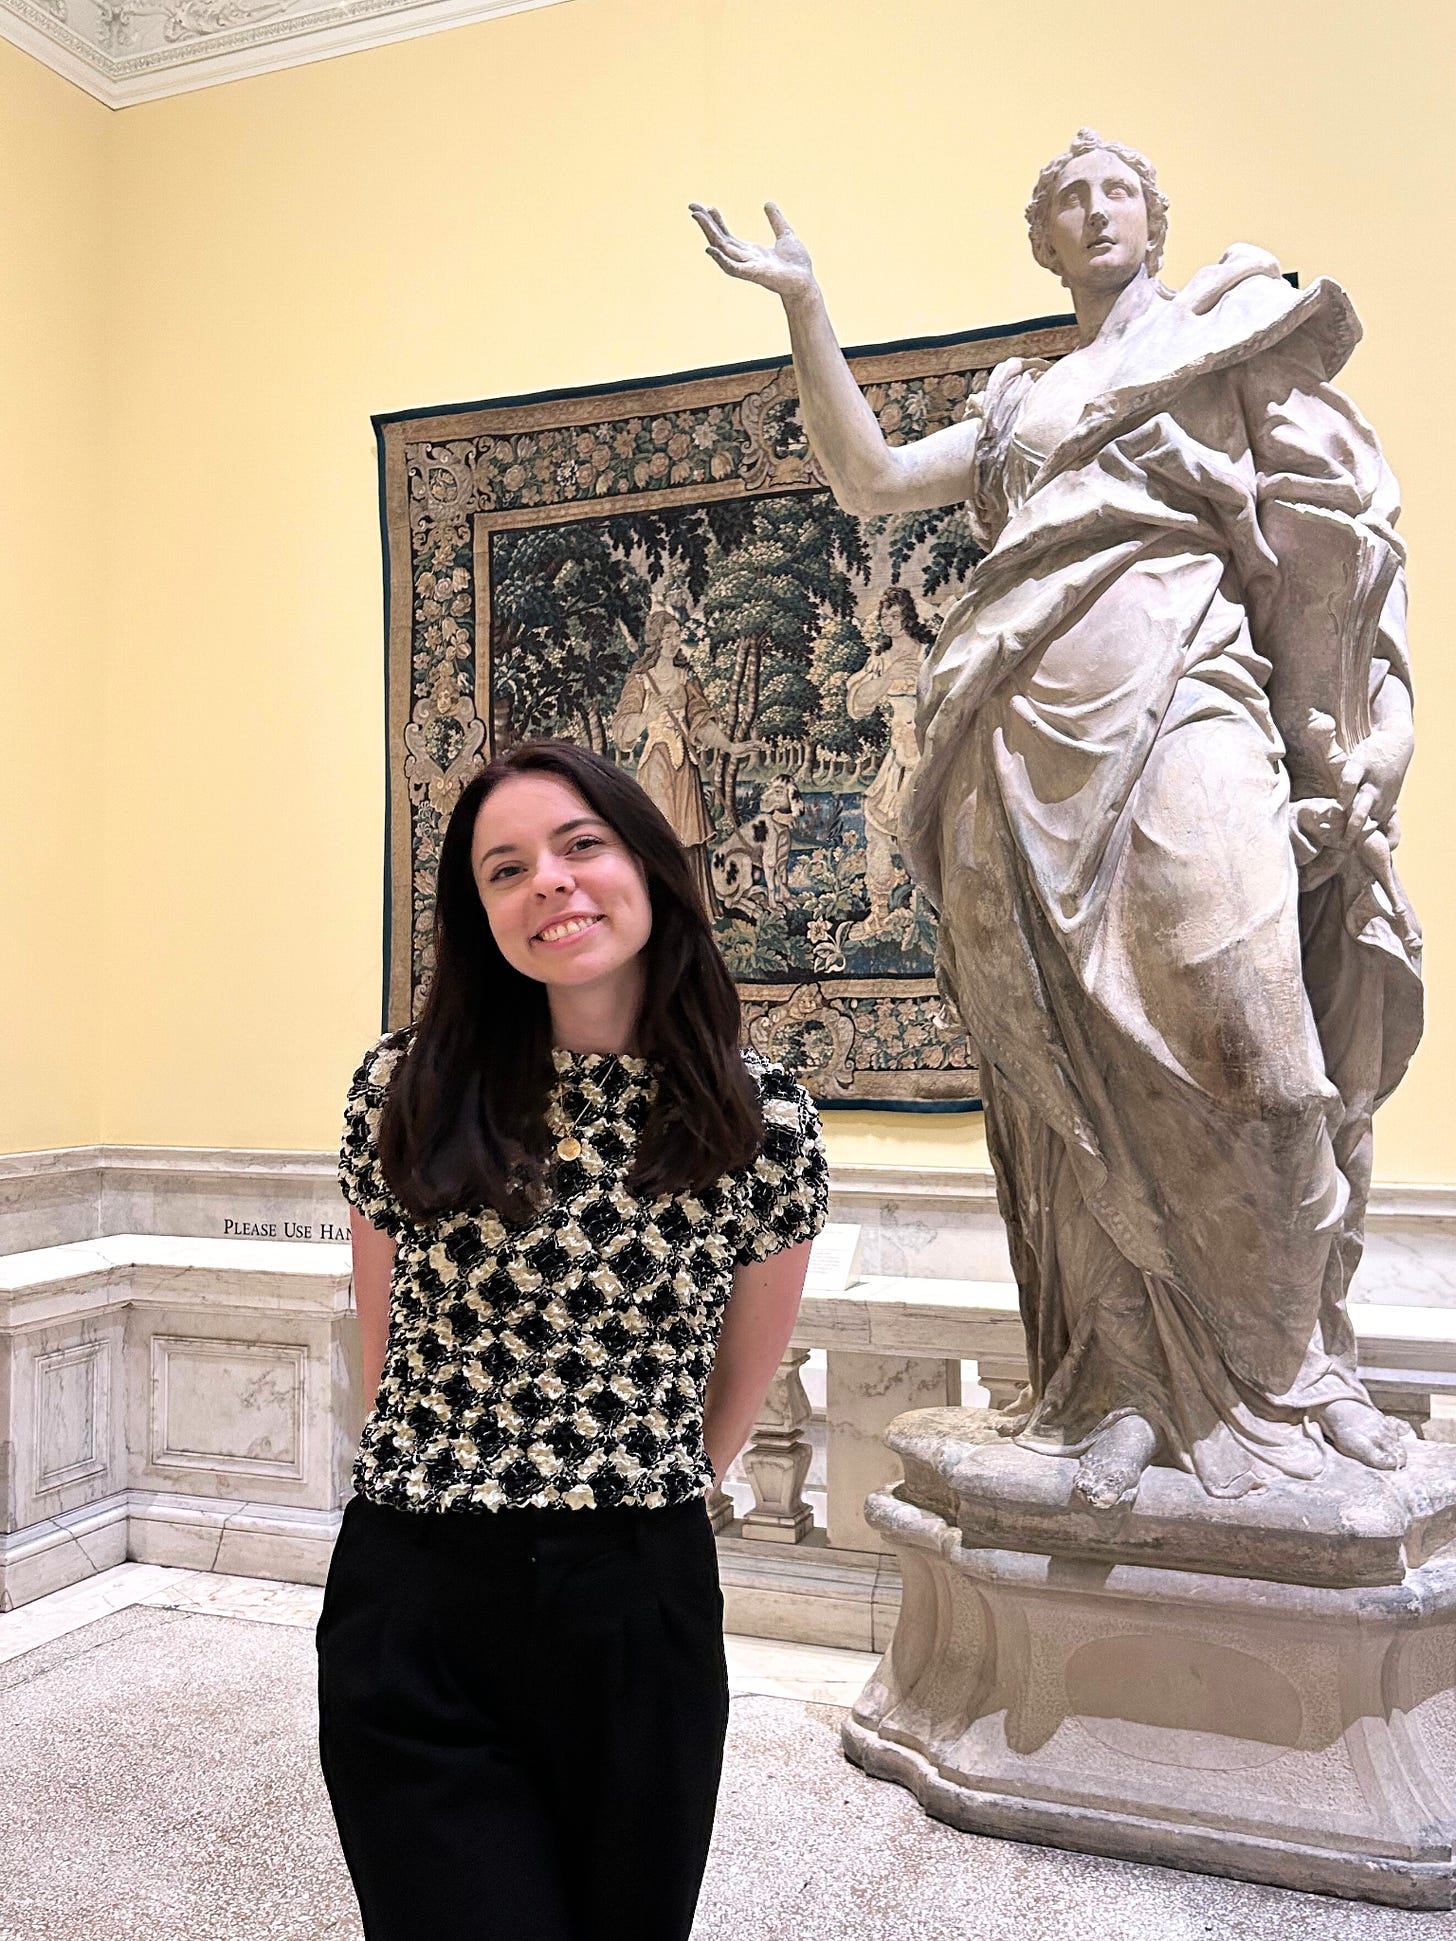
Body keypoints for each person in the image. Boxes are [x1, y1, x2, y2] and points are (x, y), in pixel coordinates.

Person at [690, 129, 1421, 1508]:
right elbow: (868, 479)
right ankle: (1126, 1385)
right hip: (1019, 726)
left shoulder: (1221, 340)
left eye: (1116, 191)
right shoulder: (1024, 401)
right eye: (1067, 199)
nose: (1094, 210)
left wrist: (1354, 738)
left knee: (1267, 1052)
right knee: (1068, 1071)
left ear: (1153, 218)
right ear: (1044, 241)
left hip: (1191, 682)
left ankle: (1301, 1371)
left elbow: (1333, 541)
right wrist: (805, 305)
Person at [317, 738, 828, 1941]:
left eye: (580, 845)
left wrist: (627, 1501)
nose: (547, 882)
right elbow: (389, 1352)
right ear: (478, 914)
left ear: (651, 869)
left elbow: (734, 1396)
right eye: (504, 869)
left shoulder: (761, 1123)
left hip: (632, 1604)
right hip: (417, 1593)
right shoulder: (406, 1091)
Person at [610, 607, 757, 917]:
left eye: (677, 635)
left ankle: (696, 907)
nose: (674, 642)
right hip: (657, 763)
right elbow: (622, 729)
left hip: (684, 766)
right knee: (660, 833)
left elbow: (701, 721)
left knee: (689, 835)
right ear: (655, 640)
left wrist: (730, 745)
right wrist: (648, 715)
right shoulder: (641, 680)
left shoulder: (685, 677)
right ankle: (660, 909)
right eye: (668, 636)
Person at [844, 585, 938, 938]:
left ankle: (936, 910)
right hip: (898, 753)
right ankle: (879, 912)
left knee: (927, 831)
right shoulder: (880, 660)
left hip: (927, 751)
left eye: (894, 615)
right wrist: (887, 675)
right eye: (883, 616)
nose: (887, 622)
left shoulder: (928, 653)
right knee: (878, 826)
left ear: (907, 618)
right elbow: (857, 706)